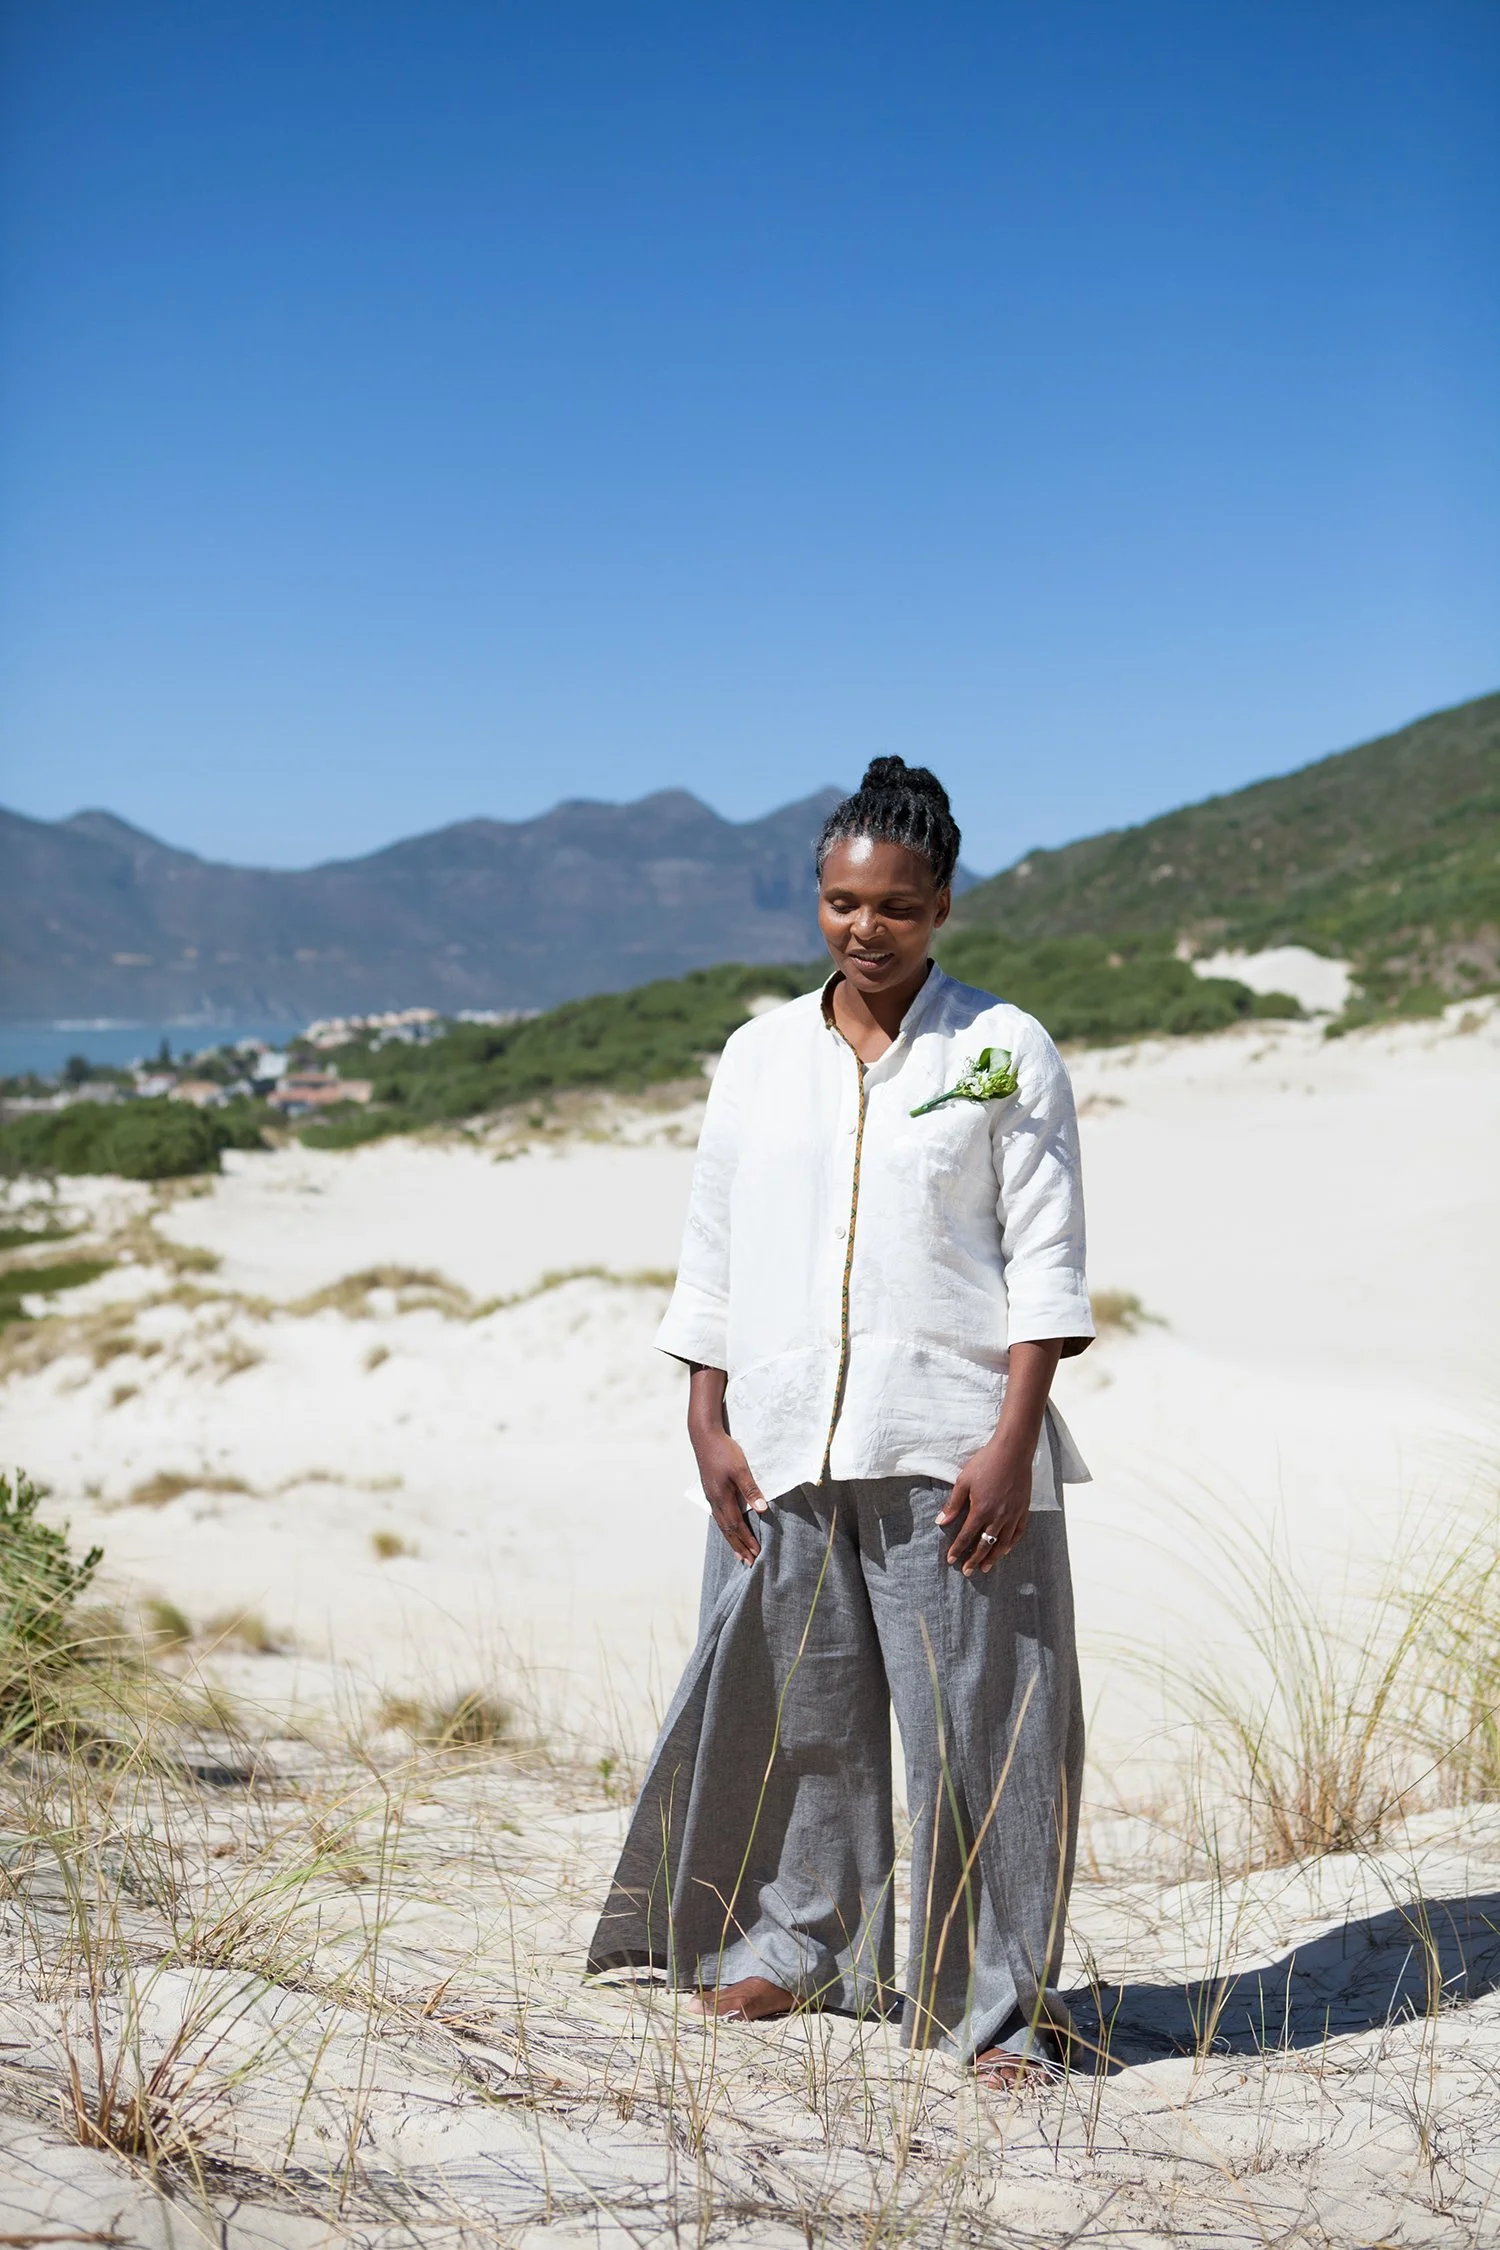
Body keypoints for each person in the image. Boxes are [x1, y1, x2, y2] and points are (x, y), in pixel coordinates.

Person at [587, 757, 1094, 2086]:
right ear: (816, 896)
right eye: (840, 900)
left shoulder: (1003, 1050)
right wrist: (704, 1406)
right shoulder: (757, 1057)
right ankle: (798, 1944)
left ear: (942, 903)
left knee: (991, 1734)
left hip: (955, 1448)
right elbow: (713, 1247)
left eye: (896, 905)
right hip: (784, 1434)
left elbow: (1048, 1263)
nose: (865, 928)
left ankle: (1004, 2011)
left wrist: (1010, 1436)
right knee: (799, 1715)